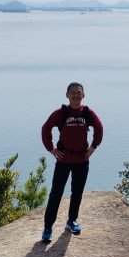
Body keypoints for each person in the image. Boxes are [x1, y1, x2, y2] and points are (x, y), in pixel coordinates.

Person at [40, 82, 103, 243]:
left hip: (82, 160)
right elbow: (46, 128)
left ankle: (72, 221)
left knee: (77, 192)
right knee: (56, 193)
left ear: (83, 95)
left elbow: (99, 128)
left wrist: (93, 147)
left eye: (79, 92)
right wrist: (52, 149)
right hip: (63, 160)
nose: (76, 95)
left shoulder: (87, 113)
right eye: (73, 92)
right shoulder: (61, 113)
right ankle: (48, 227)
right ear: (67, 95)